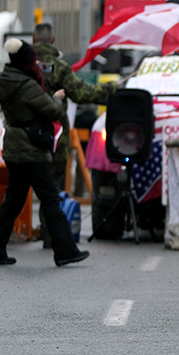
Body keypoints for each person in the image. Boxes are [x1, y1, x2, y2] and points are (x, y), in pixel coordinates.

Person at [0, 39, 90, 266]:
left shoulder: (2, 80)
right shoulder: (27, 85)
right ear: (26, 62)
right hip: (30, 148)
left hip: (13, 145)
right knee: (50, 196)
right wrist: (57, 99)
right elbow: (51, 110)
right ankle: (65, 250)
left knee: (13, 200)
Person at [33, 22, 119, 247]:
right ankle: (50, 235)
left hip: (24, 136)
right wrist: (111, 87)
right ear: (53, 40)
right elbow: (82, 93)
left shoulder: (23, 66)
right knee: (52, 188)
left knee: (17, 190)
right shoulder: (60, 68)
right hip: (53, 137)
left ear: (33, 40)